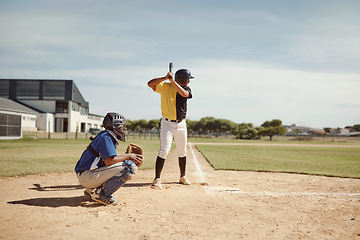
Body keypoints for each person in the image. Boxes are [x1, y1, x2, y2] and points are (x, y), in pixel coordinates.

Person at [75, 112, 143, 205]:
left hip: (87, 175)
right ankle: (101, 194)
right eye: (122, 126)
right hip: (88, 177)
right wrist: (127, 157)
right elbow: (109, 161)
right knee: (129, 167)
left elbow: (106, 162)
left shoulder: (105, 135)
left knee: (123, 165)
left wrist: (124, 158)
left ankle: (91, 190)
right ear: (116, 126)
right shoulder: (107, 137)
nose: (123, 129)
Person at [147, 68, 194, 189]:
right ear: (182, 80)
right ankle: (157, 179)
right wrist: (164, 78)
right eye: (187, 79)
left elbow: (184, 94)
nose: (189, 81)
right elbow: (150, 84)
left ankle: (182, 176)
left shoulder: (186, 89)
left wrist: (173, 82)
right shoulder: (165, 86)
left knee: (182, 151)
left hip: (181, 124)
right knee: (164, 150)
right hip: (167, 124)